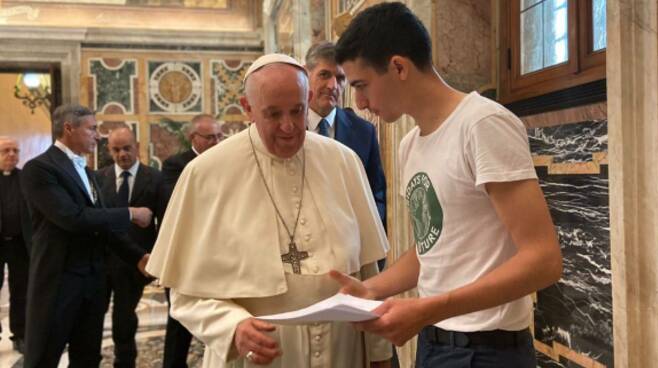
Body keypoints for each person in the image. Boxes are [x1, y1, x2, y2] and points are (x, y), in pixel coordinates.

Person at [330, 3, 563, 367]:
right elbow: (434, 246)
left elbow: (544, 260)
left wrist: (427, 308)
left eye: (361, 86)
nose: (359, 104)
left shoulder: (481, 124)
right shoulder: (410, 144)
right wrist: (373, 289)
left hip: (487, 350)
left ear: (398, 67)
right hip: (436, 343)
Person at [146, 53, 392, 368]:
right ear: (247, 108)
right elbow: (185, 295)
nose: (289, 126)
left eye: (297, 110)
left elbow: (369, 272)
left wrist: (380, 355)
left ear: (309, 99)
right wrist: (232, 327)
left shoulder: (343, 162)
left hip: (341, 351)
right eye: (273, 114)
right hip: (258, 357)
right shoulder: (206, 173)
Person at [20, 104, 153, 368]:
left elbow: (101, 226)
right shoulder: (39, 169)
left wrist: (138, 257)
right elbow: (73, 218)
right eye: (92, 128)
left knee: (87, 358)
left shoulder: (89, 173)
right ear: (69, 128)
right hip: (58, 281)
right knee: (44, 357)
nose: (98, 135)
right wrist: (129, 213)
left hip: (92, 282)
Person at [97, 126, 164, 368]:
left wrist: (157, 258)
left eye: (127, 148)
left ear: (137, 147)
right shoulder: (98, 178)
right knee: (93, 315)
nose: (122, 154)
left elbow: (164, 221)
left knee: (123, 317)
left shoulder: (155, 178)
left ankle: (124, 362)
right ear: (109, 150)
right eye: (116, 149)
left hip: (134, 261)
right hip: (103, 259)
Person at [160, 113, 222, 368]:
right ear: (192, 137)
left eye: (219, 136)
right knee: (179, 321)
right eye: (210, 137)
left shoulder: (225, 162)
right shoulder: (176, 165)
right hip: (186, 254)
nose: (216, 142)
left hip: (218, 252)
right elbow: (183, 204)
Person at [304, 41, 387, 230]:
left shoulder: (364, 132)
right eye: (324, 75)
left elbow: (377, 194)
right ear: (306, 74)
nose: (333, 85)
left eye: (340, 78)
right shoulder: (290, 130)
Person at [0, 136, 31, 354]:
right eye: (6, 151)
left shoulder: (26, 179)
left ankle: (19, 334)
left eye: (15, 150)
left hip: (20, 245)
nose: (12, 154)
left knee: (20, 291)